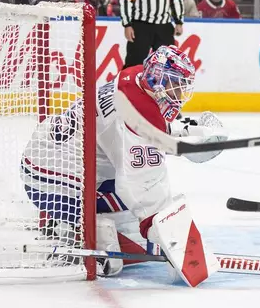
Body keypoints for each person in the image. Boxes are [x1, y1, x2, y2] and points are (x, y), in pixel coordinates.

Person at [20, 45, 227, 283]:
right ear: (159, 80)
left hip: (44, 162)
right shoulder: (136, 114)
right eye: (176, 86)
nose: (179, 95)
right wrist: (172, 241)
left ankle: (66, 224)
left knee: (132, 219)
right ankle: (81, 232)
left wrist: (189, 134)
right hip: (52, 183)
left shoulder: (135, 78)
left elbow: (140, 131)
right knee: (138, 232)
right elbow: (141, 185)